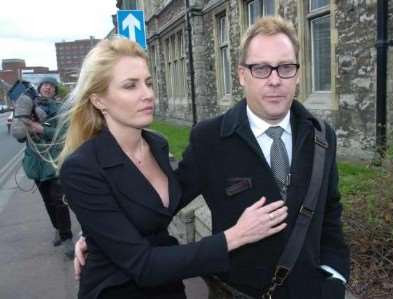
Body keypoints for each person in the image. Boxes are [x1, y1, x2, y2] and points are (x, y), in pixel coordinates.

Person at [76, 16, 350, 298]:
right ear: (242, 75)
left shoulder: (321, 136)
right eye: (261, 69)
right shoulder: (210, 139)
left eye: (285, 67)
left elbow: (330, 213)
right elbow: (161, 203)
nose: (275, 80)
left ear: (298, 73)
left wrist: (335, 277)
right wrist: (97, 237)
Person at [58, 37, 287, 299]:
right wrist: (234, 237)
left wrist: (95, 235)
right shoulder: (81, 168)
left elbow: (158, 201)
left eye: (148, 83)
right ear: (99, 101)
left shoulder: (156, 145)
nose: (147, 94)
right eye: (130, 86)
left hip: (169, 288)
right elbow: (142, 264)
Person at [11, 76, 74, 258]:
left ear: (55, 90)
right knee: (48, 201)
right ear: (39, 88)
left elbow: (64, 135)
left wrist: (41, 129)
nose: (48, 88)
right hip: (36, 163)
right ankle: (57, 228)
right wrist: (25, 125)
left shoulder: (61, 108)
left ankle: (66, 237)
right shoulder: (29, 106)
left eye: (51, 86)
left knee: (60, 200)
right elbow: (20, 137)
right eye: (45, 85)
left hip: (54, 162)